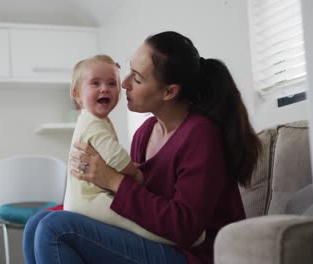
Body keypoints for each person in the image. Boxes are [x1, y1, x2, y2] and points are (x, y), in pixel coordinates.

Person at [23, 31, 261, 264]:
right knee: (38, 222)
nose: (123, 83)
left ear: (169, 92)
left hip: (194, 254)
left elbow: (185, 227)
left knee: (55, 229)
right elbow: (135, 205)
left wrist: (113, 180)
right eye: (128, 71)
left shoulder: (202, 136)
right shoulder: (144, 133)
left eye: (136, 78)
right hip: (155, 241)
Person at [63, 54, 182, 245]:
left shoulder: (96, 121)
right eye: (95, 83)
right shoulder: (92, 123)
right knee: (130, 220)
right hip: (90, 200)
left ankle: (174, 237)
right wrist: (136, 174)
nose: (105, 88)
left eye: (111, 83)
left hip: (87, 197)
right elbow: (116, 158)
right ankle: (172, 239)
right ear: (77, 94)